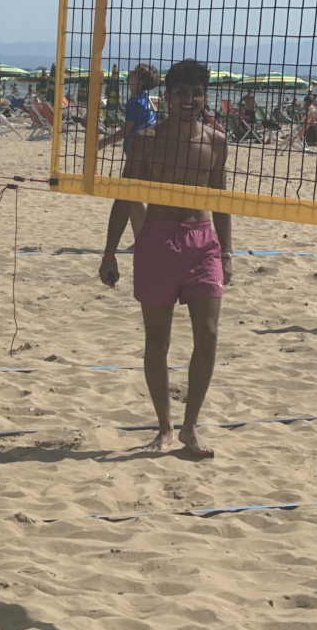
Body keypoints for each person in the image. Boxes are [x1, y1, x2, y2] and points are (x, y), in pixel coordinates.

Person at [99, 59, 232, 458]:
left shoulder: (216, 141)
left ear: (204, 97)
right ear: (168, 97)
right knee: (157, 340)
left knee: (208, 335)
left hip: (202, 241)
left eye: (196, 93)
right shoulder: (146, 139)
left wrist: (227, 251)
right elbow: (124, 197)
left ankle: (190, 428)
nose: (189, 100)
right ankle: (164, 428)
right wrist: (109, 251)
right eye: (181, 93)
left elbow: (221, 201)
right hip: (157, 240)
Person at [99, 63, 161, 240]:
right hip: (143, 151)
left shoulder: (136, 102)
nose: (130, 73)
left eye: (135, 72)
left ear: (140, 81)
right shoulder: (141, 99)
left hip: (140, 153)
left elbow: (125, 131)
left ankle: (150, 237)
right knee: (132, 197)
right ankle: (140, 238)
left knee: (133, 195)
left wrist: (102, 143)